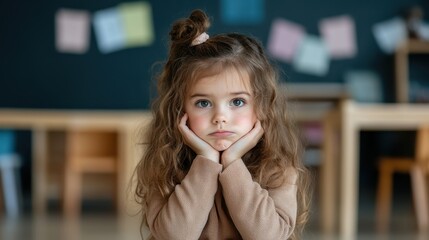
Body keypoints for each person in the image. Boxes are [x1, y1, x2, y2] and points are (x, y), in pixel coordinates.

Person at [134, 9, 311, 240]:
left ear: (262, 106)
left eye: (237, 101)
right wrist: (206, 161)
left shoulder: (277, 168)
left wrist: (232, 163)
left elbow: (268, 237)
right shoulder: (165, 165)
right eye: (203, 103)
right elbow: (174, 236)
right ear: (180, 109)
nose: (220, 117)